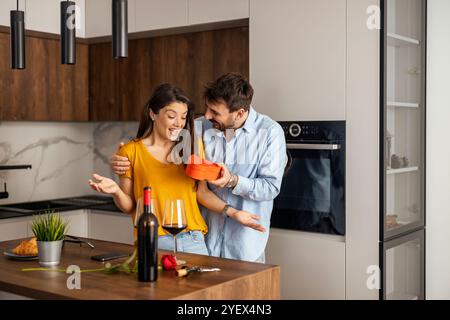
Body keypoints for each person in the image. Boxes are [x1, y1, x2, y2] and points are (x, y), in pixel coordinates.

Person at [111, 74, 287, 263]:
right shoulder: (198, 128)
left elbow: (270, 187)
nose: (207, 115)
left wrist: (233, 181)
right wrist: (123, 158)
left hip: (243, 245)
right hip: (205, 241)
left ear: (240, 113)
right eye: (207, 108)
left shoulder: (269, 133)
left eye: (215, 112)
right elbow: (155, 142)